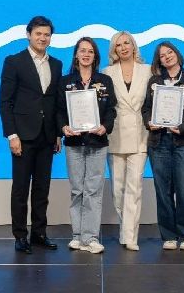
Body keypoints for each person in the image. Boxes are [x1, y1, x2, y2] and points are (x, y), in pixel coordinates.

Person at [0, 15, 63, 254]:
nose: (42, 38)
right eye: (38, 34)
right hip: (23, 136)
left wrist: (58, 134)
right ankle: (20, 236)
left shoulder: (56, 64)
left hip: (47, 136)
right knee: (20, 189)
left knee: (42, 189)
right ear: (29, 35)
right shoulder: (14, 61)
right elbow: (5, 102)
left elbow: (56, 102)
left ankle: (39, 233)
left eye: (47, 34)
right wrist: (12, 135)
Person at [141, 41, 184, 251]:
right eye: (162, 55)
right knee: (163, 191)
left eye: (170, 52)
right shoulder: (154, 82)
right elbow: (146, 109)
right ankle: (169, 235)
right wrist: (149, 122)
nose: (167, 56)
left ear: (177, 54)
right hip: (159, 142)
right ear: (159, 61)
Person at [57, 37, 117, 254]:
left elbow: (111, 110)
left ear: (95, 56)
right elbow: (59, 111)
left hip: (97, 142)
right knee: (77, 190)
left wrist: (105, 127)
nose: (86, 54)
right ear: (76, 55)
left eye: (90, 51)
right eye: (82, 50)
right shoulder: (65, 82)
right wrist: (63, 127)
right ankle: (77, 235)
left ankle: (90, 237)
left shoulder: (105, 81)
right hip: (74, 142)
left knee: (93, 190)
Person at [102, 31, 152, 251]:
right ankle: (126, 227)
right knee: (117, 189)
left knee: (135, 187)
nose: (123, 47)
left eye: (126, 43)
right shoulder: (107, 72)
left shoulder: (148, 70)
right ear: (114, 49)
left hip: (140, 135)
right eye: (118, 44)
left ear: (133, 46)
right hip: (116, 135)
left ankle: (130, 236)